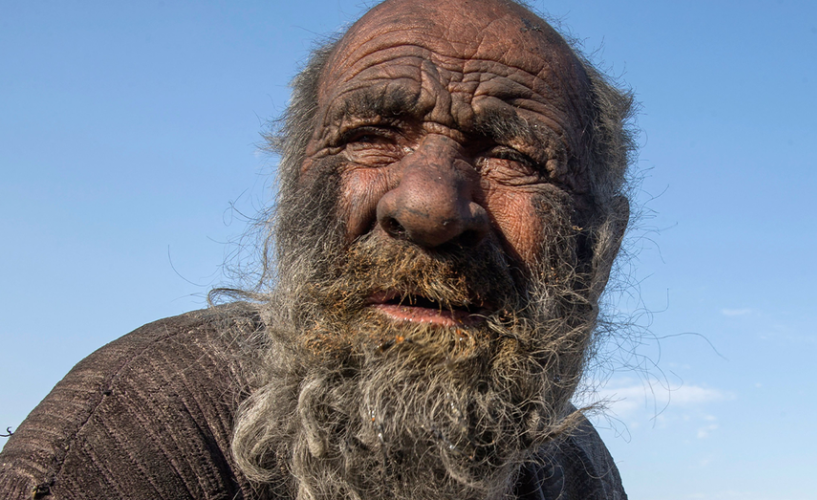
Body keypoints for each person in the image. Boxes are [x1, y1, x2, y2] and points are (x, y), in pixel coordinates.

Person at [0, 0, 635, 498]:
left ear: (600, 251)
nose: (428, 208)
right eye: (370, 136)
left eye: (512, 155)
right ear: (295, 195)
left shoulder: (571, 467)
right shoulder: (134, 434)